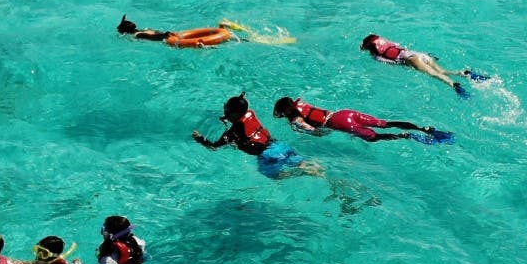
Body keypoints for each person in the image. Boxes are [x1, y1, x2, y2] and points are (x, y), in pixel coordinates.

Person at [193, 93, 322, 178]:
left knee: (275, 176)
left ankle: (302, 173)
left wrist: (199, 139)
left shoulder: (233, 132)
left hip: (268, 155)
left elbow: (214, 146)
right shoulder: (250, 114)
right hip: (279, 145)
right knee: (302, 164)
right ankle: (318, 171)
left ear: (234, 114)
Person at [272, 97, 452, 144]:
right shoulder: (302, 104)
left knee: (373, 137)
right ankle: (426, 129)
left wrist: (321, 133)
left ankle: (406, 136)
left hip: (339, 124)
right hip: (345, 113)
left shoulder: (295, 118)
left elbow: (314, 131)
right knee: (384, 123)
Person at [360, 34, 488, 98]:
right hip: (420, 54)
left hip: (412, 59)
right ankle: (465, 74)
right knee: (443, 71)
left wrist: (403, 65)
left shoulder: (377, 56)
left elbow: (393, 63)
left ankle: (455, 86)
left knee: (435, 75)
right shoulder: (390, 43)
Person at [117, 15, 294, 47]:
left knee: (229, 40)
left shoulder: (138, 35)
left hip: (170, 39)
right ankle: (224, 26)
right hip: (174, 34)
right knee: (229, 38)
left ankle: (265, 41)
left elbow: (154, 38)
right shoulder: (146, 29)